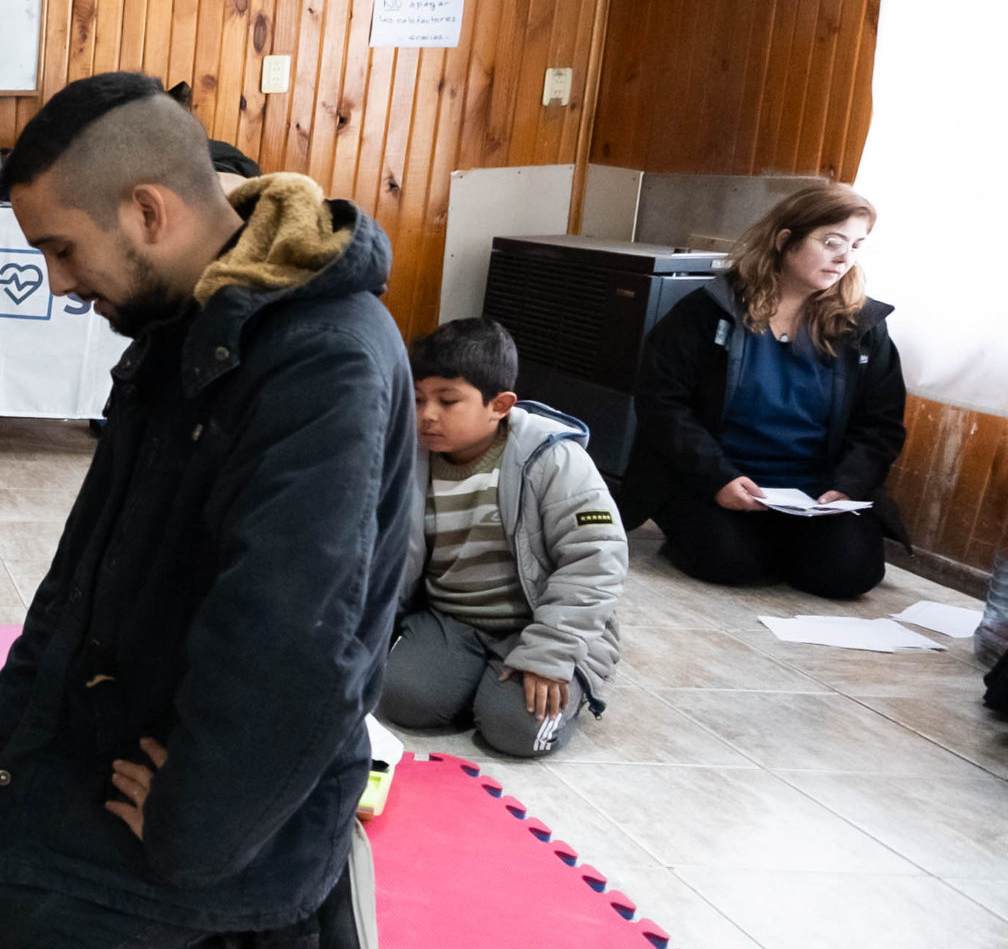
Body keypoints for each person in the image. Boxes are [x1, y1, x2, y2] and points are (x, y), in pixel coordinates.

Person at [0, 73, 416, 949]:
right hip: (125, 720)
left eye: (61, 249)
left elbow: (295, 643)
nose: (55, 282)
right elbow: (82, 566)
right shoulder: (183, 326)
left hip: (233, 776)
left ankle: (284, 916)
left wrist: (196, 823)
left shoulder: (324, 361)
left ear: (147, 210)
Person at [623, 183, 909, 600]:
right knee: (731, 562)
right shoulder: (710, 310)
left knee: (850, 574)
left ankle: (790, 541)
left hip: (815, 492)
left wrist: (849, 485)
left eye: (856, 245)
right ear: (785, 240)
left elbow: (881, 423)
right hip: (719, 480)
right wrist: (718, 477)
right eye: (832, 242)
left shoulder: (862, 325)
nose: (845, 257)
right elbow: (663, 404)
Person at [377, 318, 626, 758]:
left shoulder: (553, 458)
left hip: (538, 622)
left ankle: (537, 683)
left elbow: (596, 559)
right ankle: (478, 681)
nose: (426, 415)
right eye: (417, 399)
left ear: (500, 404)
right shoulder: (408, 456)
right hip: (451, 622)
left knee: (515, 731)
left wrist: (551, 653)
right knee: (402, 700)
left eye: (447, 401)